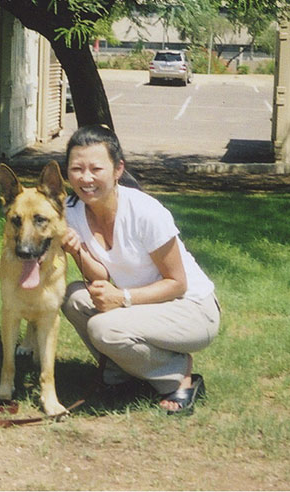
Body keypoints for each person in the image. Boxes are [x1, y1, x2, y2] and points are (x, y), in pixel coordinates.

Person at [60, 125, 220, 414]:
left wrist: (121, 299)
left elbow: (177, 283)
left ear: (118, 169)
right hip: (144, 306)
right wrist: (77, 250)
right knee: (74, 297)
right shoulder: (72, 210)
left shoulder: (146, 211)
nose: (85, 178)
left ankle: (179, 375)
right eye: (76, 169)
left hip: (193, 309)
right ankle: (124, 375)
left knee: (102, 326)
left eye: (96, 168)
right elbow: (100, 277)